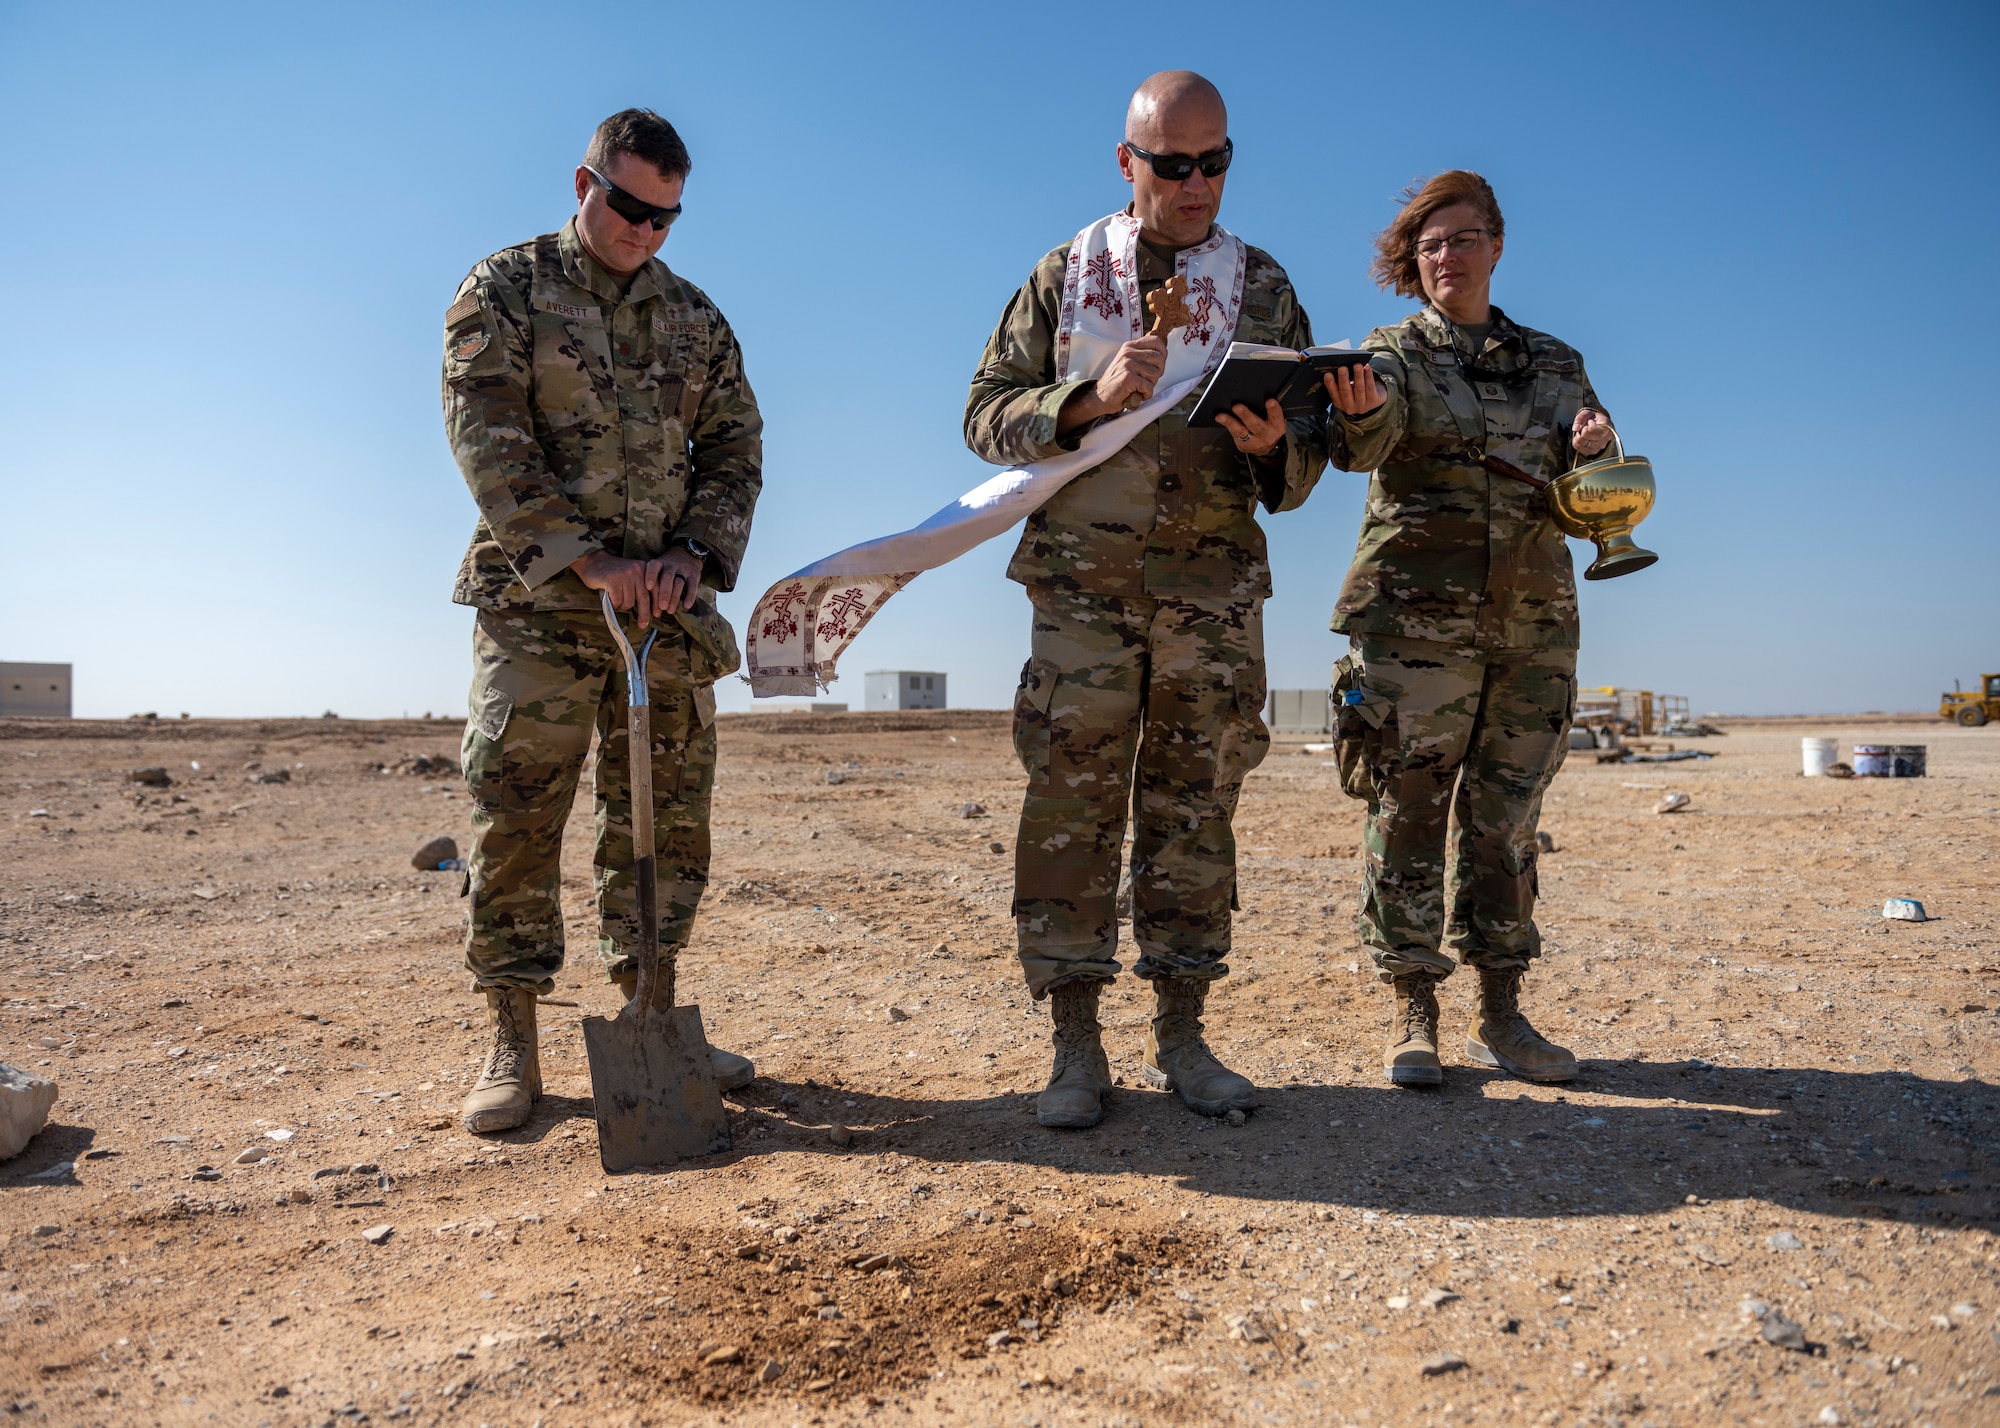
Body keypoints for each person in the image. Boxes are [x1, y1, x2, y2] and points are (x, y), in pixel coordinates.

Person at [965, 72, 1328, 1129]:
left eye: (1214, 162)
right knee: (1071, 807)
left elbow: (1307, 456)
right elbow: (985, 414)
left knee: (1195, 810)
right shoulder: (1066, 273)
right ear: (1126, 163)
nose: (1196, 183)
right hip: (1082, 595)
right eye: (1172, 165)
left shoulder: (1259, 286)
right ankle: (1073, 1048)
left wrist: (1280, 446)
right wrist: (1084, 399)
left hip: (1210, 600)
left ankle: (1182, 1035)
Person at [441, 108, 763, 1133]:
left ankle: (655, 1016)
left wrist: (690, 556)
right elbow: (485, 431)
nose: (643, 233)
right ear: (583, 184)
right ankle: (513, 1035)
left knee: (664, 829)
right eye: (628, 207)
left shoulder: (696, 319)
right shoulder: (504, 289)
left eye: (665, 218)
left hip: (661, 614)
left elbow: (735, 446)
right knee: (516, 819)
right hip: (536, 605)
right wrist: (587, 561)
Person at [1322, 170, 1618, 1088]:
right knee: (1407, 813)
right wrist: (1362, 417)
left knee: (1506, 823)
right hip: (1416, 628)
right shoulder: (1394, 356)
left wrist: (1601, 458)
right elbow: (1356, 448)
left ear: (1496, 244)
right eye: (1430, 245)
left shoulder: (1558, 365)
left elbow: (1595, 507)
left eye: (1463, 238)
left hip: (1533, 629)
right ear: (1414, 264)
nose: (1448, 256)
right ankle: (1415, 1007)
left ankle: (1503, 1009)